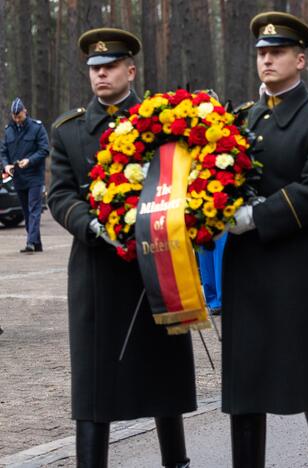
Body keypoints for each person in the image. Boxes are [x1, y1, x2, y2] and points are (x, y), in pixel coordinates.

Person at [48, 27, 195, 467]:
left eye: (110, 66)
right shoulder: (70, 131)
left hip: (157, 266)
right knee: (94, 383)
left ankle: (177, 461)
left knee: (163, 377)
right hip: (98, 273)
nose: (101, 74)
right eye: (95, 68)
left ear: (131, 70)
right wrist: (91, 225)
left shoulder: (162, 123)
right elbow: (59, 195)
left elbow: (182, 181)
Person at [222, 12, 308, 467]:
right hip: (248, 268)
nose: (267, 60)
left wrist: (255, 215)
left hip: (300, 266)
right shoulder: (243, 117)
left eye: (276, 52)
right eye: (261, 53)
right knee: (245, 378)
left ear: (300, 60)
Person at [2, 98, 49, 253]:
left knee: (34, 208)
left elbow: (44, 150)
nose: (17, 119)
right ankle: (37, 243)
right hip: (18, 177)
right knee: (26, 211)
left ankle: (30, 243)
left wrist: (30, 160)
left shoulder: (37, 128)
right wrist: (6, 165)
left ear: (25, 111)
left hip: (34, 175)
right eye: (14, 116)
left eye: (19, 115)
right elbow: (3, 152)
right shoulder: (9, 129)